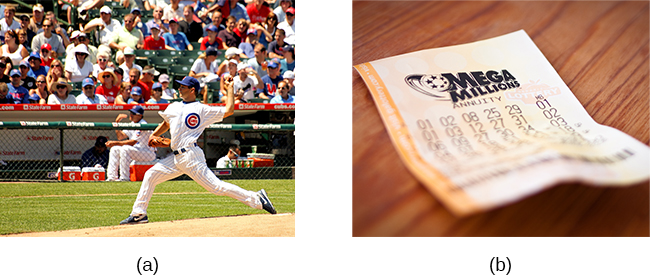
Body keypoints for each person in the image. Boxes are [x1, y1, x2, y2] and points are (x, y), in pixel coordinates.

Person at [118, 75, 276, 225]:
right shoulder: (173, 106)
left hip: (191, 156)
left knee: (217, 187)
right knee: (150, 175)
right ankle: (139, 213)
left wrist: (230, 89)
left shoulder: (202, 109)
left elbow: (229, 110)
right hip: (176, 158)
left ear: (192, 90)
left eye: (183, 86)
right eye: (179, 86)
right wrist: (154, 134)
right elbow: (167, 123)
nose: (179, 88)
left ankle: (256, 198)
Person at [105, 106, 157, 181]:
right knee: (114, 149)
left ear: (140, 116)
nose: (131, 115)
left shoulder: (142, 124)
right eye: (131, 112)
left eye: (134, 113)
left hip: (148, 153)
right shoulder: (132, 123)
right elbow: (121, 136)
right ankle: (111, 177)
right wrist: (117, 123)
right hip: (137, 151)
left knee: (125, 149)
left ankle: (124, 178)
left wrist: (114, 142)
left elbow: (132, 142)